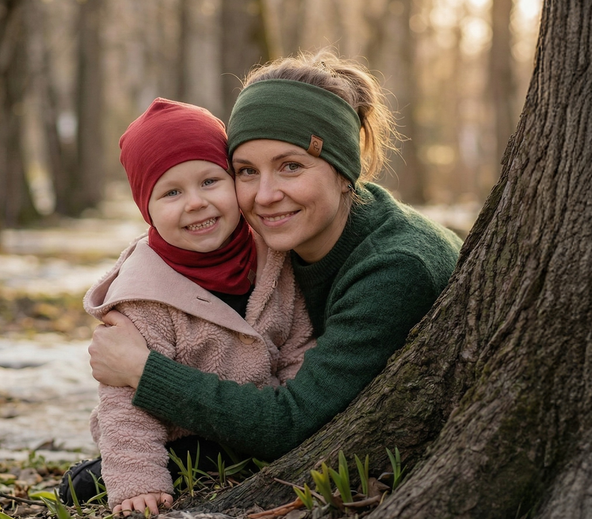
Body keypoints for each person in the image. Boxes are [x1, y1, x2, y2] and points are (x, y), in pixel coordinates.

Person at [88, 52, 463, 465]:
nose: (264, 196)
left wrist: (140, 370)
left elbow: (290, 425)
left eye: (290, 166)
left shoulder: (395, 269)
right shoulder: (281, 246)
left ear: (343, 171)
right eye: (246, 171)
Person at [65, 98, 314, 516]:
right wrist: (138, 483)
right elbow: (126, 405)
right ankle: (114, 472)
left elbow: (298, 344)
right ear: (147, 208)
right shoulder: (145, 295)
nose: (195, 203)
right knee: (106, 477)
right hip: (181, 435)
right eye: (172, 192)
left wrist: (299, 413)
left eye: (210, 182)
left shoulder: (273, 258)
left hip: (265, 419)